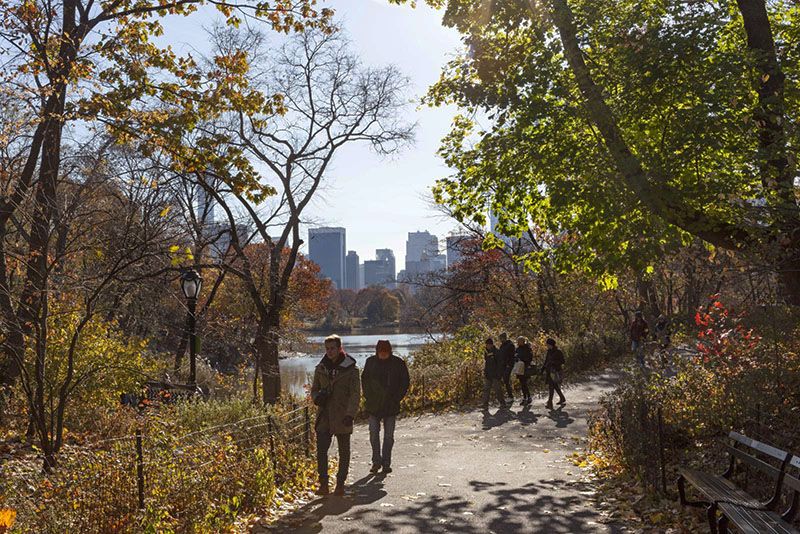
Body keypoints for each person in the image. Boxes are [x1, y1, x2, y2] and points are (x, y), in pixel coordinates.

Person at [311, 334, 361, 496]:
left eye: (333, 348)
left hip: (342, 414)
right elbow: (314, 390)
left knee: (344, 451)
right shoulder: (321, 368)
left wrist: (350, 414)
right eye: (327, 349)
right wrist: (317, 398)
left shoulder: (351, 369)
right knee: (321, 451)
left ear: (340, 348)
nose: (330, 351)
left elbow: (355, 394)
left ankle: (340, 484)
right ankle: (323, 484)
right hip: (324, 414)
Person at [361, 339, 410, 475]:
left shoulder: (398, 363)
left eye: (385, 352)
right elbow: (364, 380)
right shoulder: (370, 362)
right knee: (373, 435)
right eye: (380, 352)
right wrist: (368, 396)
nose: (383, 354)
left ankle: (386, 463)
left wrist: (397, 398)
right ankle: (376, 461)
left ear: (389, 351)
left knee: (389, 436)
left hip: (391, 405)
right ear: (377, 351)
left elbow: (405, 382)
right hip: (373, 405)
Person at [481, 338, 507, 411]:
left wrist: (499, 374)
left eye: (488, 344)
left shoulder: (497, 352)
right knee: (486, 389)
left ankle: (502, 403)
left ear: (491, 344)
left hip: (496, 375)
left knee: (498, 390)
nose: (487, 346)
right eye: (486, 345)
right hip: (488, 374)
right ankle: (485, 405)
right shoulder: (486, 352)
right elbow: (486, 363)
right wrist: (485, 372)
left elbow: (500, 364)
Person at [541, 338, 566, 409]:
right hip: (549, 371)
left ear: (551, 344)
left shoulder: (558, 352)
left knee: (551, 387)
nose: (546, 345)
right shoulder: (549, 352)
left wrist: (554, 363)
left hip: (556, 371)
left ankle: (550, 403)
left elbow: (563, 361)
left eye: (547, 344)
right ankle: (562, 398)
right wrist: (542, 369)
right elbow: (546, 361)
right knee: (554, 386)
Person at [514, 336, 533, 405]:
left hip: (525, 368)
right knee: (522, 383)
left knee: (524, 383)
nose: (518, 343)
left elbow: (530, 357)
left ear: (522, 341)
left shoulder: (527, 348)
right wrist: (516, 359)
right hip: (519, 368)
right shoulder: (517, 349)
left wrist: (523, 360)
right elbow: (515, 356)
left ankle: (528, 397)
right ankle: (525, 397)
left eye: (519, 341)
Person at [497, 333, 516, 401]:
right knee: (503, 380)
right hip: (502, 365)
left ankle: (511, 396)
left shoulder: (510, 345)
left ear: (504, 338)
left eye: (501, 338)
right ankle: (508, 395)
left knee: (506, 379)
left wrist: (509, 364)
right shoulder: (502, 346)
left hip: (508, 365)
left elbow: (512, 356)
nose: (500, 340)